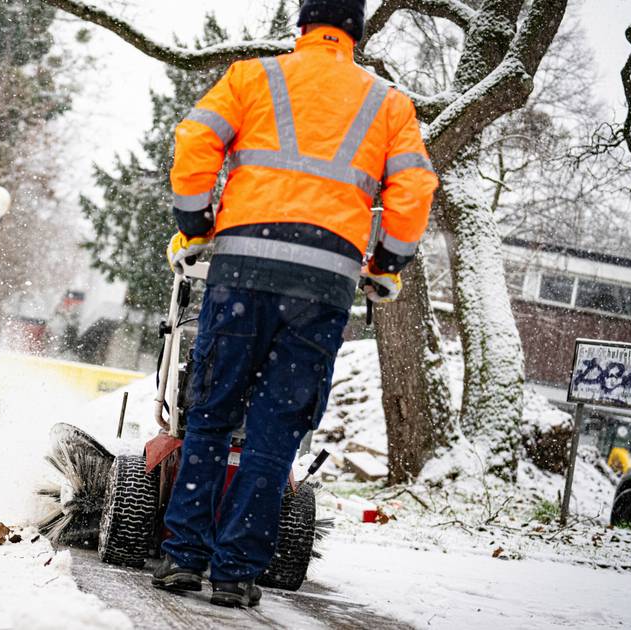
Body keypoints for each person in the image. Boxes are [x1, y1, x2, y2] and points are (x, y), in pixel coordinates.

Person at [154, 0, 437, 608]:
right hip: (325, 284)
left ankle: (182, 557)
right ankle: (234, 572)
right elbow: (414, 188)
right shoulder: (389, 104)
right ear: (355, 35)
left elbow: (196, 139)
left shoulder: (253, 77)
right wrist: (385, 265)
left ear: (303, 26)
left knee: (209, 412)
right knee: (275, 428)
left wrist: (197, 224)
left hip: (242, 267)